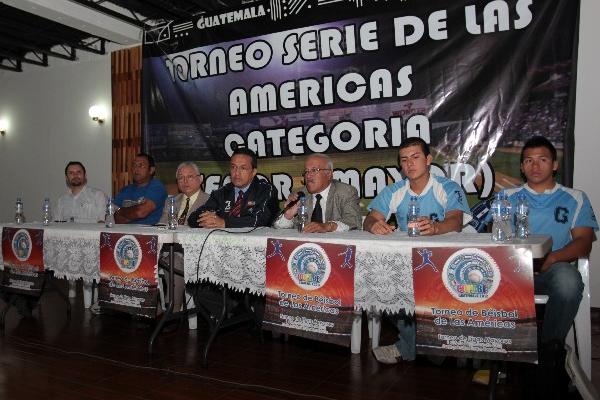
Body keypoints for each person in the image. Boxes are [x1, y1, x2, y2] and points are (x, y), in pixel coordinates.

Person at [497, 136, 597, 396]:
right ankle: (503, 354)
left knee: (568, 281)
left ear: (554, 164)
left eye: (542, 160)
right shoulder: (507, 196)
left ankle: (548, 352)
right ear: (521, 167)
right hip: (514, 271)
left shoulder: (575, 198)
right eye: (528, 160)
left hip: (552, 269)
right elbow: (495, 238)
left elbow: (584, 242)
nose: (535, 166)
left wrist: (552, 257)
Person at [364, 137, 470, 364]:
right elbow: (371, 218)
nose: (410, 164)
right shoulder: (395, 190)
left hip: (446, 261)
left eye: (415, 157)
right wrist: (374, 225)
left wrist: (436, 228)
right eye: (404, 160)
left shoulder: (447, 187)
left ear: (428, 160)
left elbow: (455, 222)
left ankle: (417, 345)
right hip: (409, 262)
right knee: (380, 285)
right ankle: (421, 345)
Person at [158, 162, 208, 313]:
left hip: (193, 252)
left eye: (190, 177)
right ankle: (149, 305)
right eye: (181, 178)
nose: (185, 181)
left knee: (175, 260)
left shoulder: (209, 201)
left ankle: (173, 310)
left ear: (200, 180)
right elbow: (161, 225)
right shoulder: (171, 201)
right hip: (166, 248)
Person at [56, 161, 108, 305]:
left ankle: (91, 300)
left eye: (78, 172)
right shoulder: (62, 200)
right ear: (66, 177)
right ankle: (71, 289)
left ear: (85, 175)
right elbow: (57, 225)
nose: (75, 175)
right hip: (69, 247)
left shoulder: (97, 195)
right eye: (71, 173)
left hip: (93, 245)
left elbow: (103, 222)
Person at [188, 148, 279, 228]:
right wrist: (208, 220)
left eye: (243, 168)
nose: (236, 173)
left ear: (253, 172)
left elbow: (260, 220)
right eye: (233, 167)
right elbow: (193, 218)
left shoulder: (266, 190)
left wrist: (224, 223)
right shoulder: (221, 192)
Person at [273, 154, 362, 232]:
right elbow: (277, 228)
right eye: (306, 171)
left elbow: (354, 222)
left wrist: (327, 226)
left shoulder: (346, 192)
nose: (308, 175)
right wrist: (288, 216)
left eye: (314, 170)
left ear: (328, 174)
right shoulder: (300, 194)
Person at [113, 153, 167, 225]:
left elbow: (141, 212)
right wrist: (132, 213)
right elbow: (112, 217)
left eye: (141, 165)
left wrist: (120, 212)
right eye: (134, 165)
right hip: (124, 232)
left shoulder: (156, 187)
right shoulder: (126, 190)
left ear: (151, 170)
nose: (136, 169)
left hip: (148, 232)